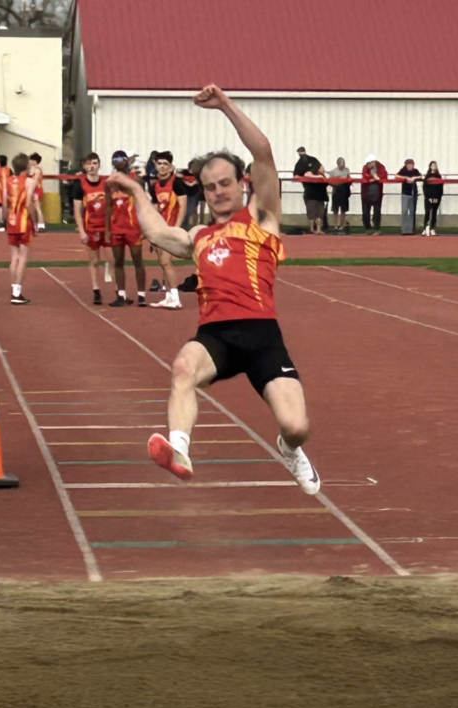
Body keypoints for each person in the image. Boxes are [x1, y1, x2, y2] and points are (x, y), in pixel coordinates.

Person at [108, 85, 320, 495]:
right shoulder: (198, 235)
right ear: (202, 191)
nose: (219, 191)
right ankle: (180, 450)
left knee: (296, 426)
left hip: (262, 337)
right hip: (215, 336)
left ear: (241, 184)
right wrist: (136, 191)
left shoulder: (262, 217)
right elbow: (155, 231)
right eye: (210, 186)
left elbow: (263, 153)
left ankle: (288, 449)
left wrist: (225, 106)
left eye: (225, 183)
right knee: (184, 367)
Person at [105, 149, 147, 307]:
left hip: (133, 227)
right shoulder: (109, 183)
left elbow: (143, 204)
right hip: (117, 227)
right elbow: (108, 207)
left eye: (121, 160)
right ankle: (121, 295)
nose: (119, 163)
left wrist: (144, 227)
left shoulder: (136, 180)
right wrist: (107, 229)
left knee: (138, 261)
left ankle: (141, 295)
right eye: (116, 160)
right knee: (118, 262)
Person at [149, 151, 189, 309]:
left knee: (166, 262)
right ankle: (168, 296)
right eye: (160, 164)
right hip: (160, 230)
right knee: (162, 262)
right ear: (155, 166)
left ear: (171, 166)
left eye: (166, 164)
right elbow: (154, 209)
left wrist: (176, 228)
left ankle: (175, 297)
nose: (163, 167)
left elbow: (183, 205)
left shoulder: (177, 183)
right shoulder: (155, 186)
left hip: (171, 229)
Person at [71, 152, 108, 305]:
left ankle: (119, 290)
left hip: (107, 227)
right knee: (94, 259)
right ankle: (96, 289)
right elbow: (77, 210)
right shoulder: (80, 184)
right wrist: (81, 231)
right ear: (84, 166)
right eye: (88, 164)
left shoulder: (107, 182)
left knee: (113, 258)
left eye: (94, 163)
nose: (91, 166)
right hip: (91, 227)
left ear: (99, 164)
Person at [4, 153, 39, 305]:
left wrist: (5, 220)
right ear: (26, 166)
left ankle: (14, 288)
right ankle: (17, 292)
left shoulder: (8, 181)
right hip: (24, 221)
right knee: (23, 256)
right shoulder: (30, 182)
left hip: (11, 220)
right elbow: (30, 203)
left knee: (14, 256)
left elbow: (4, 203)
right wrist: (35, 222)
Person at [360, 155, 387, 235]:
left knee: (377, 212)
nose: (368, 165)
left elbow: (383, 176)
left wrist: (376, 177)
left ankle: (377, 228)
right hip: (366, 193)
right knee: (365, 212)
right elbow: (365, 176)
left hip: (377, 193)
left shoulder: (381, 167)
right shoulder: (365, 167)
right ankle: (368, 228)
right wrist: (373, 177)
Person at [395, 158, 422, 235]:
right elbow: (396, 176)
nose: (410, 166)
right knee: (404, 211)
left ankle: (410, 230)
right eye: (408, 164)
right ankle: (404, 229)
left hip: (413, 193)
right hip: (405, 193)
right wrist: (406, 178)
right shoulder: (403, 170)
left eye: (411, 164)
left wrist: (413, 178)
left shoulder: (415, 171)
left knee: (412, 212)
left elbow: (421, 176)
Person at [328, 157, 351, 233]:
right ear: (337, 164)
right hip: (336, 191)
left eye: (343, 163)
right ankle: (336, 224)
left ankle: (342, 225)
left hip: (344, 191)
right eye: (340, 163)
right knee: (335, 209)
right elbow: (330, 182)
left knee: (343, 209)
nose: (342, 165)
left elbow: (349, 180)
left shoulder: (347, 171)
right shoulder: (333, 172)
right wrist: (338, 181)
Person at [422, 161, 443, 236]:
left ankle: (432, 228)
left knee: (434, 212)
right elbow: (425, 187)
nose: (434, 166)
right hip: (428, 197)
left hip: (436, 197)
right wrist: (428, 197)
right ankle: (425, 228)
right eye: (432, 165)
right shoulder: (427, 176)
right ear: (430, 166)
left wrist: (438, 197)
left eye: (435, 165)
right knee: (427, 212)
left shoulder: (438, 176)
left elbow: (441, 188)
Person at [28, 152, 45, 232]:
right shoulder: (34, 169)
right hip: (35, 189)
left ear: (34, 161)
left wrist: (31, 189)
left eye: (31, 159)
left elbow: (35, 180)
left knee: (37, 208)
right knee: (34, 208)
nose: (29, 161)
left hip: (37, 189)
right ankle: (36, 225)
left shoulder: (37, 169)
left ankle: (41, 225)